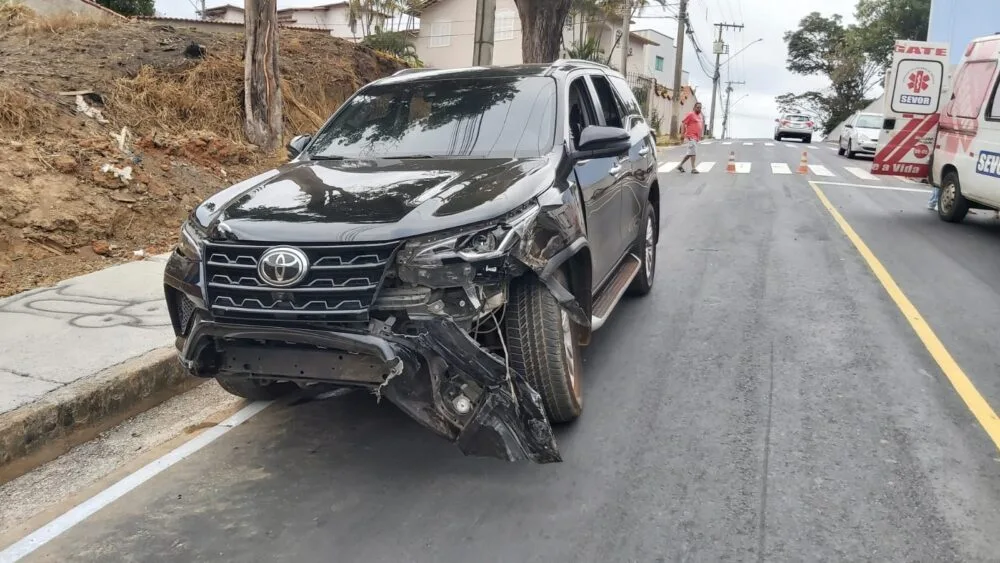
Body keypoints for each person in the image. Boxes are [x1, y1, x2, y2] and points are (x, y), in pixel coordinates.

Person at [677, 102, 705, 174]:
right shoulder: (691, 114)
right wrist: (682, 134)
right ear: (694, 108)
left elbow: (700, 126)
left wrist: (701, 135)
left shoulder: (700, 116)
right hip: (691, 136)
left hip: (696, 137)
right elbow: (683, 123)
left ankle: (680, 165)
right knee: (693, 152)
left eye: (700, 108)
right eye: (698, 107)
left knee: (690, 153)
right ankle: (693, 168)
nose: (699, 109)